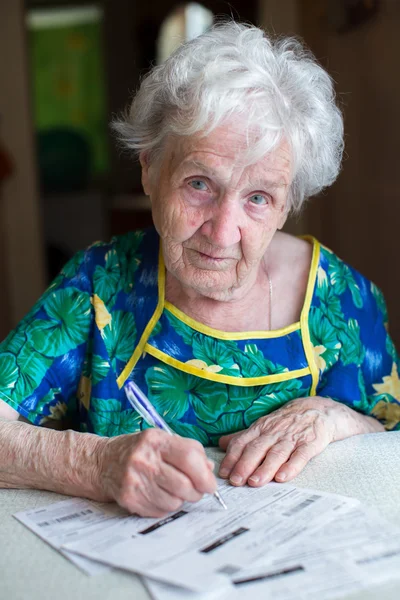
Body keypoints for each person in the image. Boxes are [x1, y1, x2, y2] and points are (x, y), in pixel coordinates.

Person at [0, 22, 399, 517]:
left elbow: (390, 429)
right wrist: (95, 464)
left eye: (258, 198)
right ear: (149, 169)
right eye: (199, 184)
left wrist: (335, 418)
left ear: (286, 205)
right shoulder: (98, 284)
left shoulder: (342, 299)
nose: (222, 231)